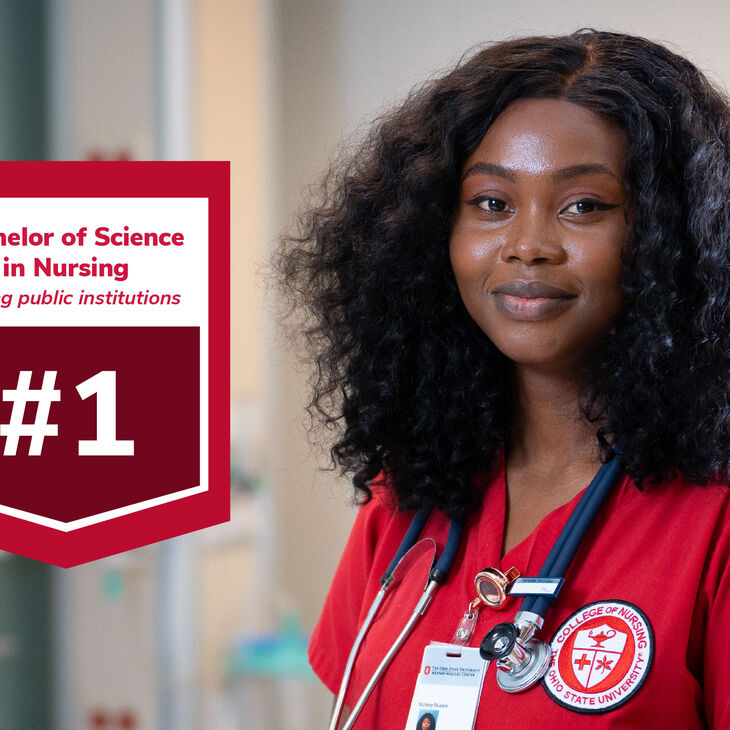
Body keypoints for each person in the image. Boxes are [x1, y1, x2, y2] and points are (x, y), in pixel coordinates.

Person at [278, 29, 730, 728]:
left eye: (584, 206)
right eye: (492, 202)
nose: (527, 245)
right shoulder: (408, 499)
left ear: (674, 238)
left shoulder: (714, 518)